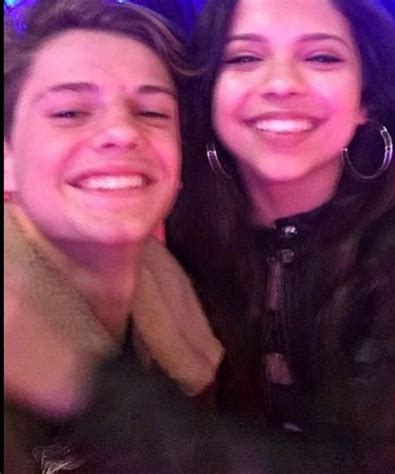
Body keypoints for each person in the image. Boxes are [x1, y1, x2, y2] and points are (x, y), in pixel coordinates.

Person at [166, 0, 395, 471]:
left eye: (322, 57)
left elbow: (368, 442)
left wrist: (105, 397)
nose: (282, 84)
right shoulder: (180, 221)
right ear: (208, 92)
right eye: (244, 58)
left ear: (366, 99)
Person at [3, 0, 224, 471]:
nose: (123, 132)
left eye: (151, 112)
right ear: (6, 160)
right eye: (69, 112)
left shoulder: (180, 301)